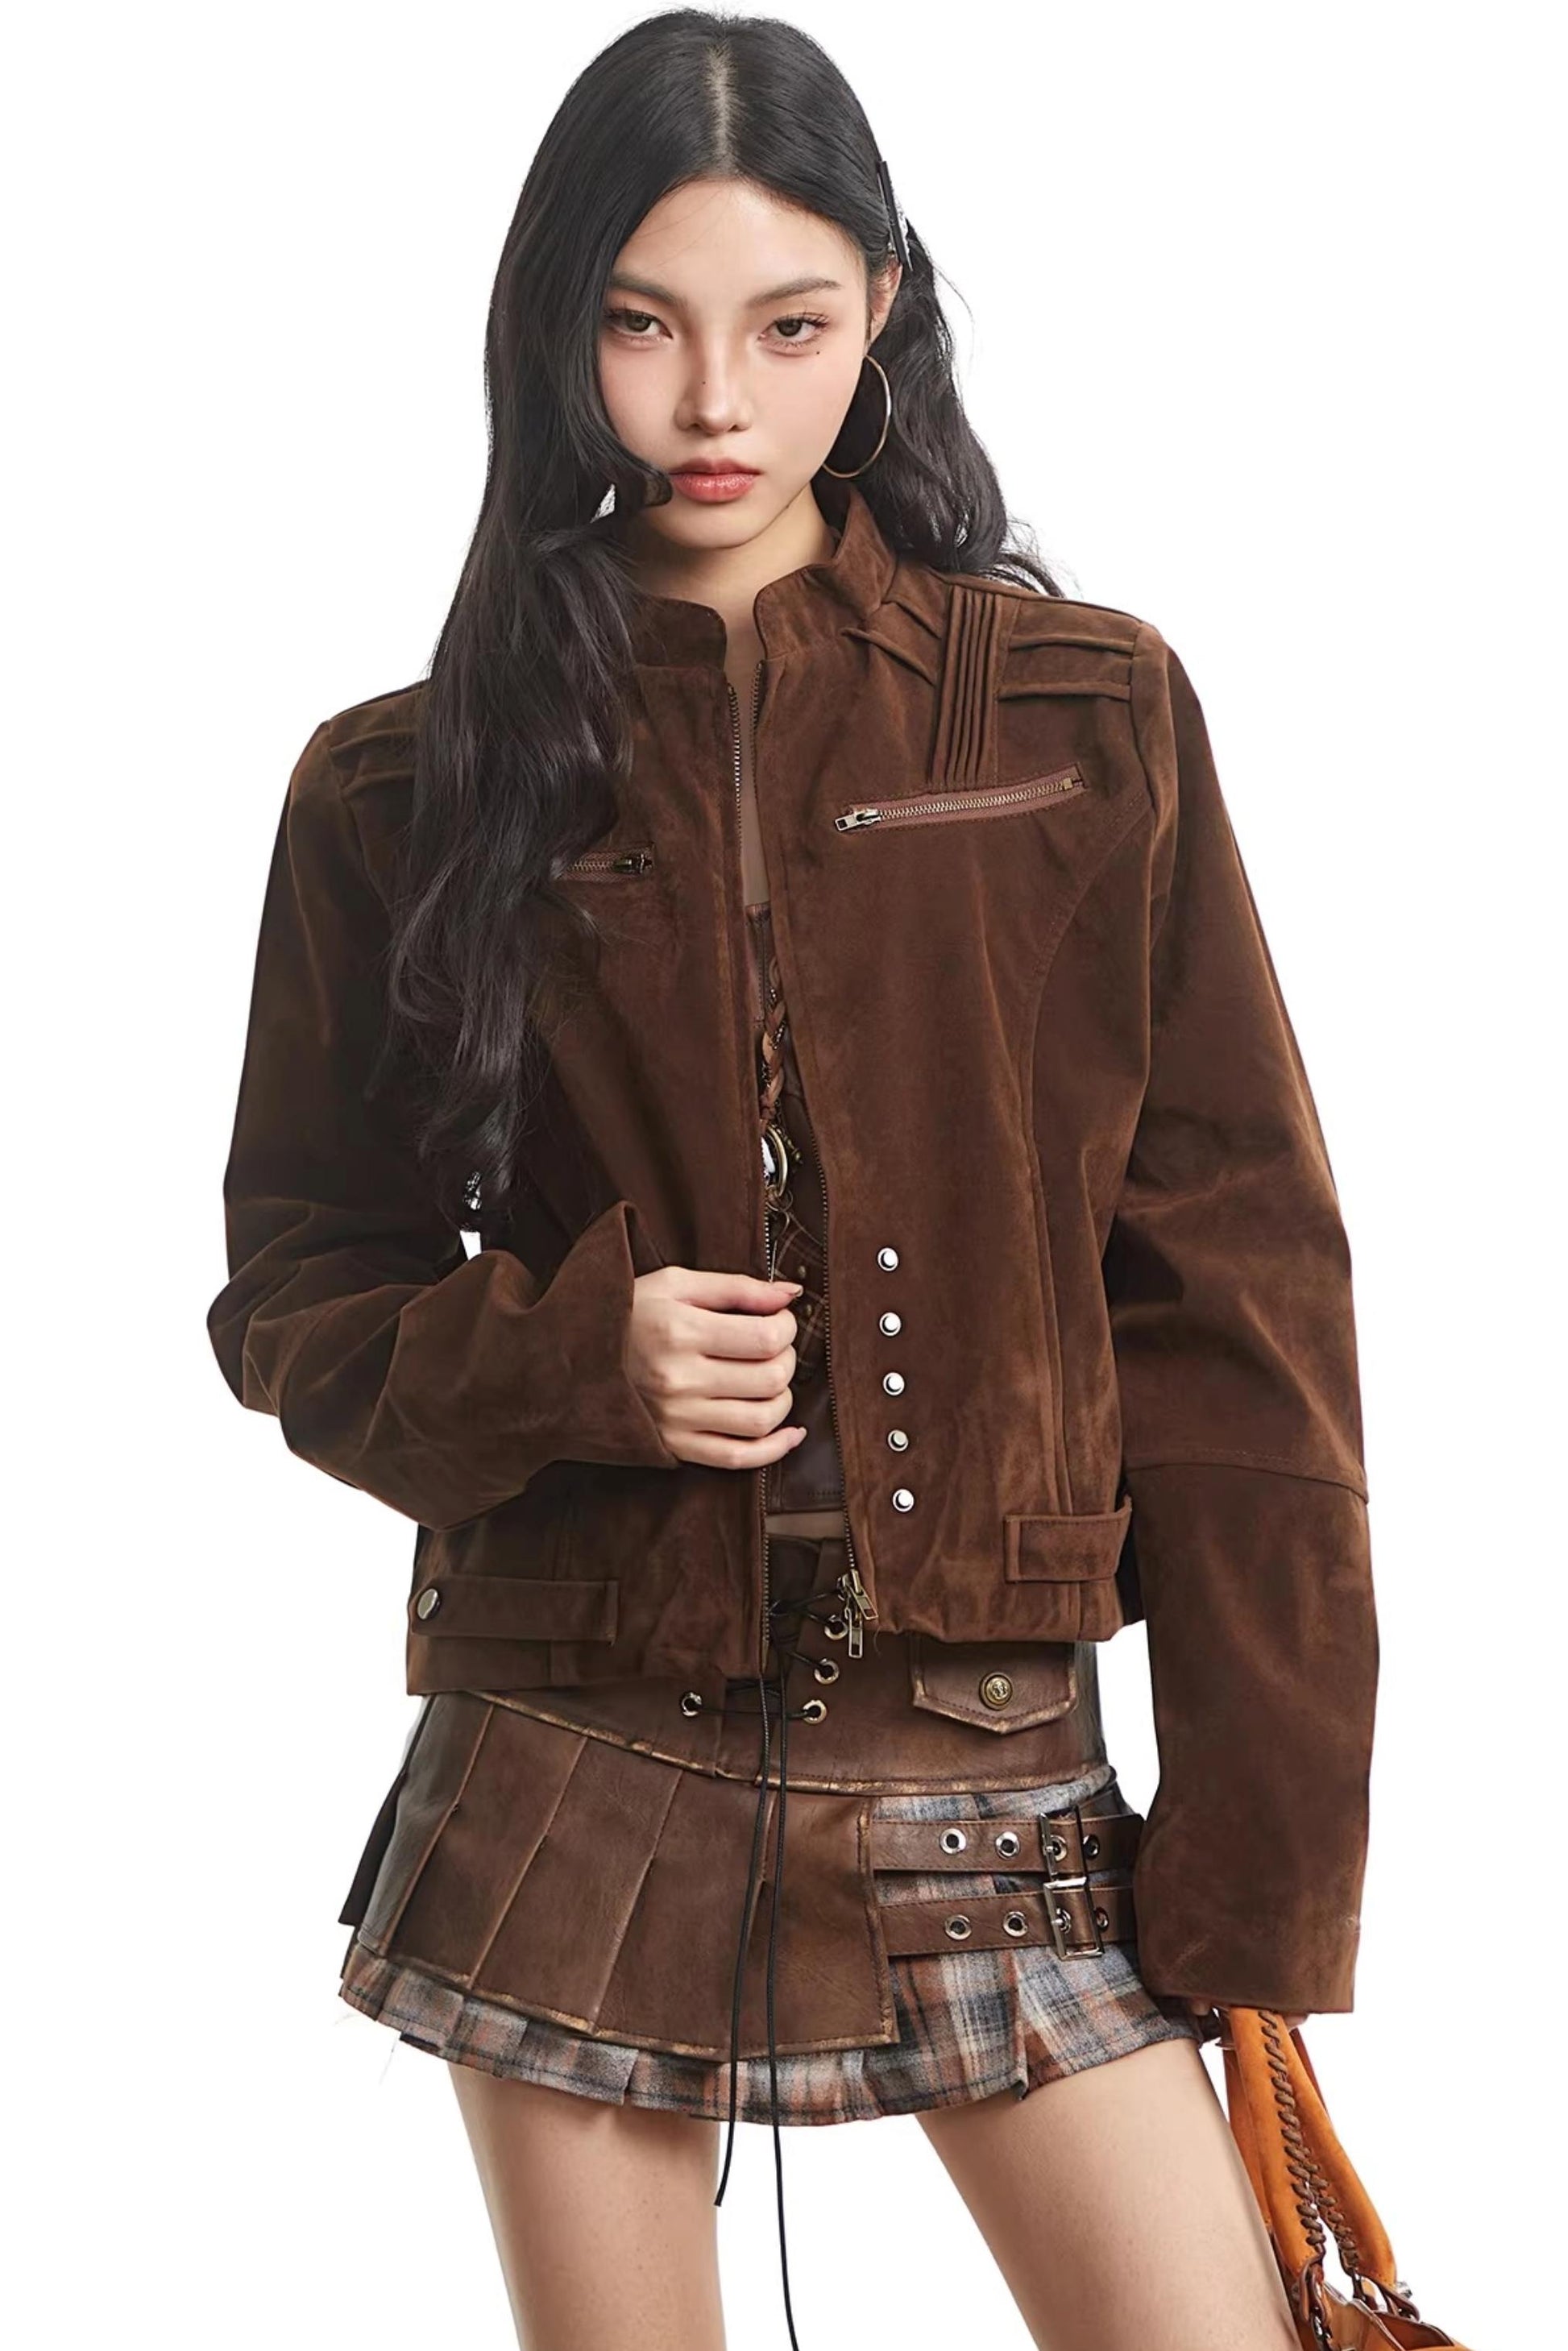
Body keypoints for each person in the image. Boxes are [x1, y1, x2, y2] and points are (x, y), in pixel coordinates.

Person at [206, 14, 1378, 2349]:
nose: (713, 403)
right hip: (575, 1752)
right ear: (553, 328)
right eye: (640, 326)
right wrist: (573, 1362)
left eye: (788, 325)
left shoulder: (1079, 717)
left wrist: (1258, 1872)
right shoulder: (398, 784)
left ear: (885, 309)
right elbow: (297, 1295)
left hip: (989, 1751)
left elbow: (1240, 1304)